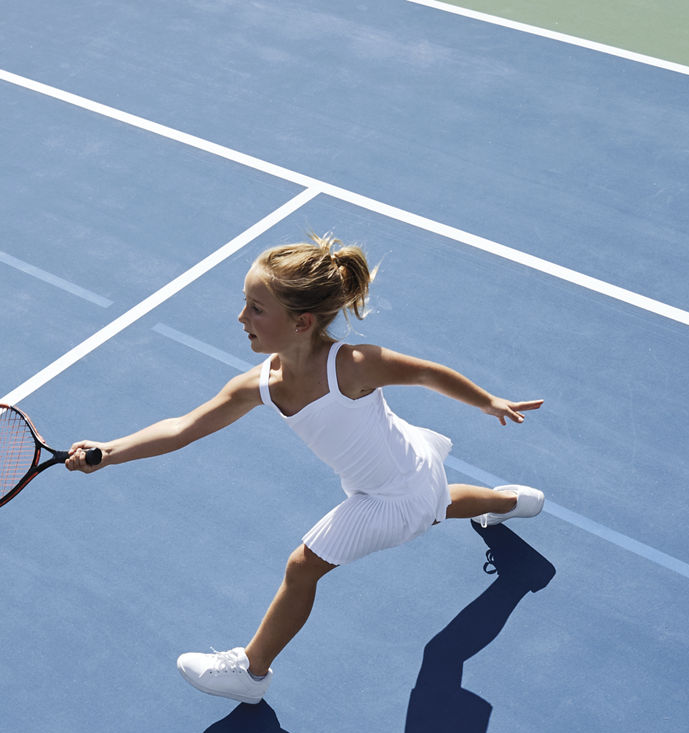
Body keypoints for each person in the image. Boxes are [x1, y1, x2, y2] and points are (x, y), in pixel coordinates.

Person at [66, 233, 544, 702]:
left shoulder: (353, 366)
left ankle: (250, 673)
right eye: (245, 303)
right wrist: (110, 452)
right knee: (436, 501)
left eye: (256, 308)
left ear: (302, 323)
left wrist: (487, 401)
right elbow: (183, 428)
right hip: (401, 470)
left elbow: (425, 372)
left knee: (305, 567)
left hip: (390, 494)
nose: (241, 317)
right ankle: (510, 501)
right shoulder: (257, 385)